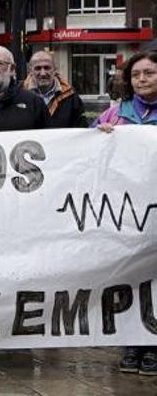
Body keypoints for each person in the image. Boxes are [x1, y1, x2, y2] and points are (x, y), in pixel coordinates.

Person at [94, 51, 157, 376]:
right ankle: (134, 341)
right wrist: (98, 137)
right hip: (126, 212)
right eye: (137, 75)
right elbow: (86, 150)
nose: (143, 79)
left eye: (149, 73)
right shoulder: (116, 114)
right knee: (131, 277)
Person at [23, 51, 86, 128]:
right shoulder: (19, 95)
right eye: (38, 68)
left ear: (55, 70)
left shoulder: (71, 96)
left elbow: (82, 127)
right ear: (30, 71)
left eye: (47, 68)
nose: (43, 73)